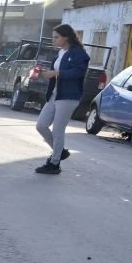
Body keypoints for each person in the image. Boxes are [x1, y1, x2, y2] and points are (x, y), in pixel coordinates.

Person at [34, 24, 90, 175]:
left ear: (66, 37)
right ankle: (61, 152)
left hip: (69, 96)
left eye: (57, 37)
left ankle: (54, 163)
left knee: (58, 131)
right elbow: (57, 72)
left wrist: (56, 73)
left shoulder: (79, 53)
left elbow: (78, 72)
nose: (54, 40)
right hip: (54, 94)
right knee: (41, 125)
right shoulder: (61, 53)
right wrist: (48, 73)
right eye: (54, 37)